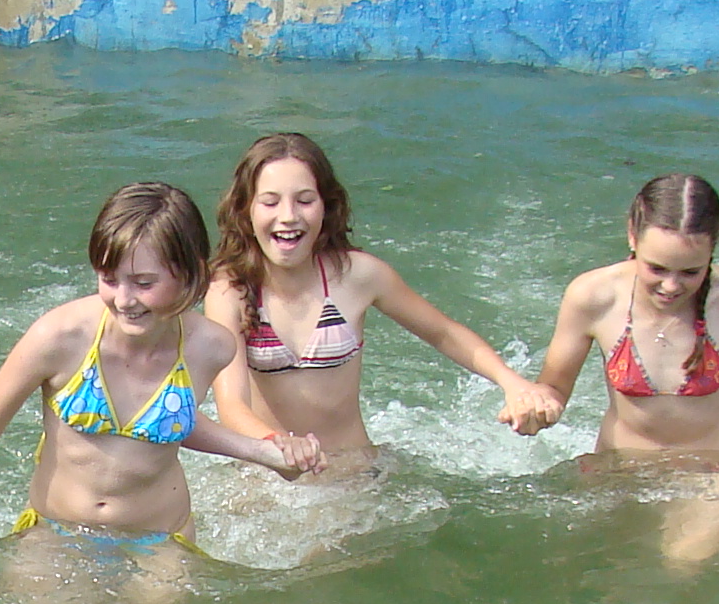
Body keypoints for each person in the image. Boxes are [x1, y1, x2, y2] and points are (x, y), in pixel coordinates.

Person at [0, 181, 323, 582]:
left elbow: (172, 420)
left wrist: (266, 452)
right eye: (109, 278)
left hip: (161, 541)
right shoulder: (60, 338)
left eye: (143, 283)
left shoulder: (211, 348)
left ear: (190, 275)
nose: (123, 299)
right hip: (57, 532)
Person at [197, 131, 562, 472]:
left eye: (305, 200)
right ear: (245, 210)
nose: (288, 216)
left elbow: (443, 333)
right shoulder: (230, 291)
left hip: (352, 470)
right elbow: (232, 406)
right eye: (270, 202)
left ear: (326, 207)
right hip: (269, 469)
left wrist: (513, 383)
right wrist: (279, 447)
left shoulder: (358, 275)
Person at [535, 171, 719, 567]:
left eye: (690, 272)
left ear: (714, 249)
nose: (671, 286)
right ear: (632, 236)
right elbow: (554, 387)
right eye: (657, 268)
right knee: (601, 568)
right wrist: (537, 407)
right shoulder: (593, 296)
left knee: (681, 565)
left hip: (716, 473)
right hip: (621, 471)